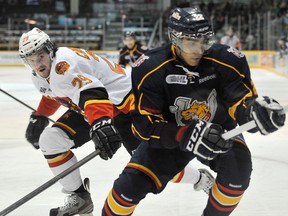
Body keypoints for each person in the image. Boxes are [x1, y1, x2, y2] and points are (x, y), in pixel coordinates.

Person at [101, 7, 286, 216]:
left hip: (219, 132)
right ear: (175, 39)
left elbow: (240, 101)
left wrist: (254, 112)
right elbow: (145, 125)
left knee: (238, 174)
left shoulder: (228, 60)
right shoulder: (150, 68)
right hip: (170, 137)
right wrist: (184, 134)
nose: (199, 50)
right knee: (126, 190)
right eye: (191, 42)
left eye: (204, 41)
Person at [19, 27, 215, 216]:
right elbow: (56, 92)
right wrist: (39, 115)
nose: (38, 65)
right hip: (95, 107)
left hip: (127, 105)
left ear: (51, 51)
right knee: (51, 141)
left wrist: (100, 123)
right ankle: (79, 197)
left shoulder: (64, 66)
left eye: (41, 56)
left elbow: (93, 91)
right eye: (31, 60)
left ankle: (200, 178)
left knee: (152, 164)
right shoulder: (42, 76)